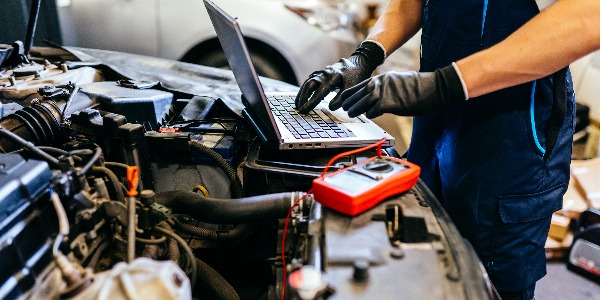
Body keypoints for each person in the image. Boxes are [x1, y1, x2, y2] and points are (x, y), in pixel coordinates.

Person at [295, 0, 600, 299]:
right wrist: (366, 55)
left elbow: (589, 17)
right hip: (436, 120)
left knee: (490, 280)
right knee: (424, 254)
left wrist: (444, 84)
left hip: (511, 134)